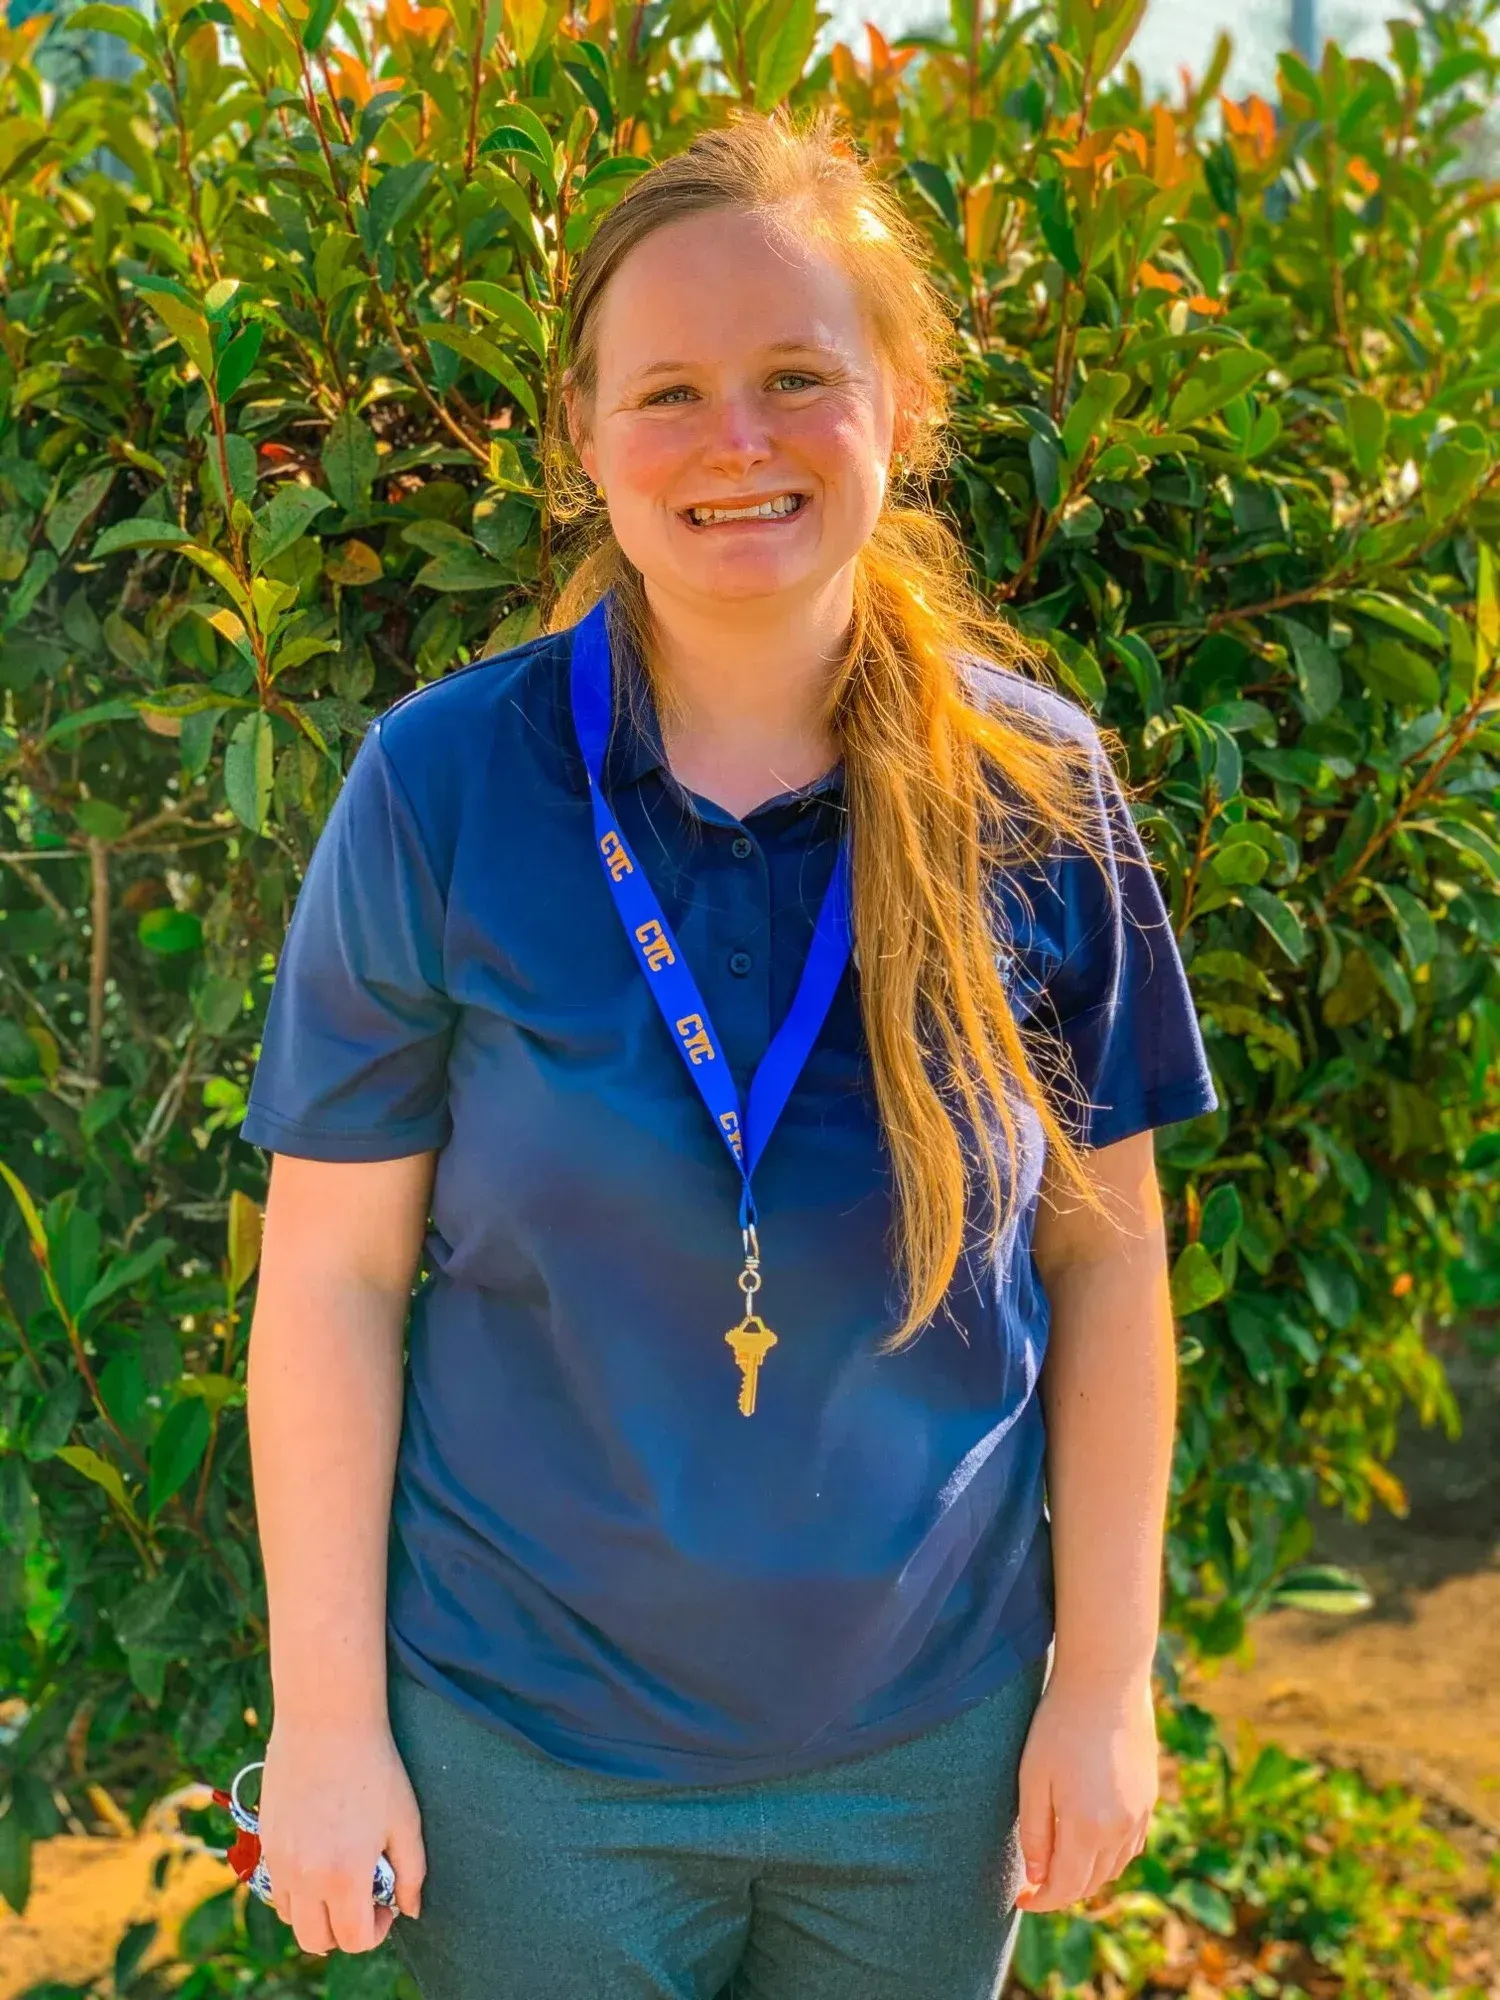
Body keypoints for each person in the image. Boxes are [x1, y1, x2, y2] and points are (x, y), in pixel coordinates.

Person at [242, 105, 1218, 1999]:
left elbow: (1110, 1273)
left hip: (925, 1770)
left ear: (903, 406)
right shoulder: (440, 787)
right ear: (584, 436)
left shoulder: (1042, 791)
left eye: (796, 377)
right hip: (531, 1767)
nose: (738, 442)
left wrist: (1101, 1688)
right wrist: (328, 1723)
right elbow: (336, 1282)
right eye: (669, 390)